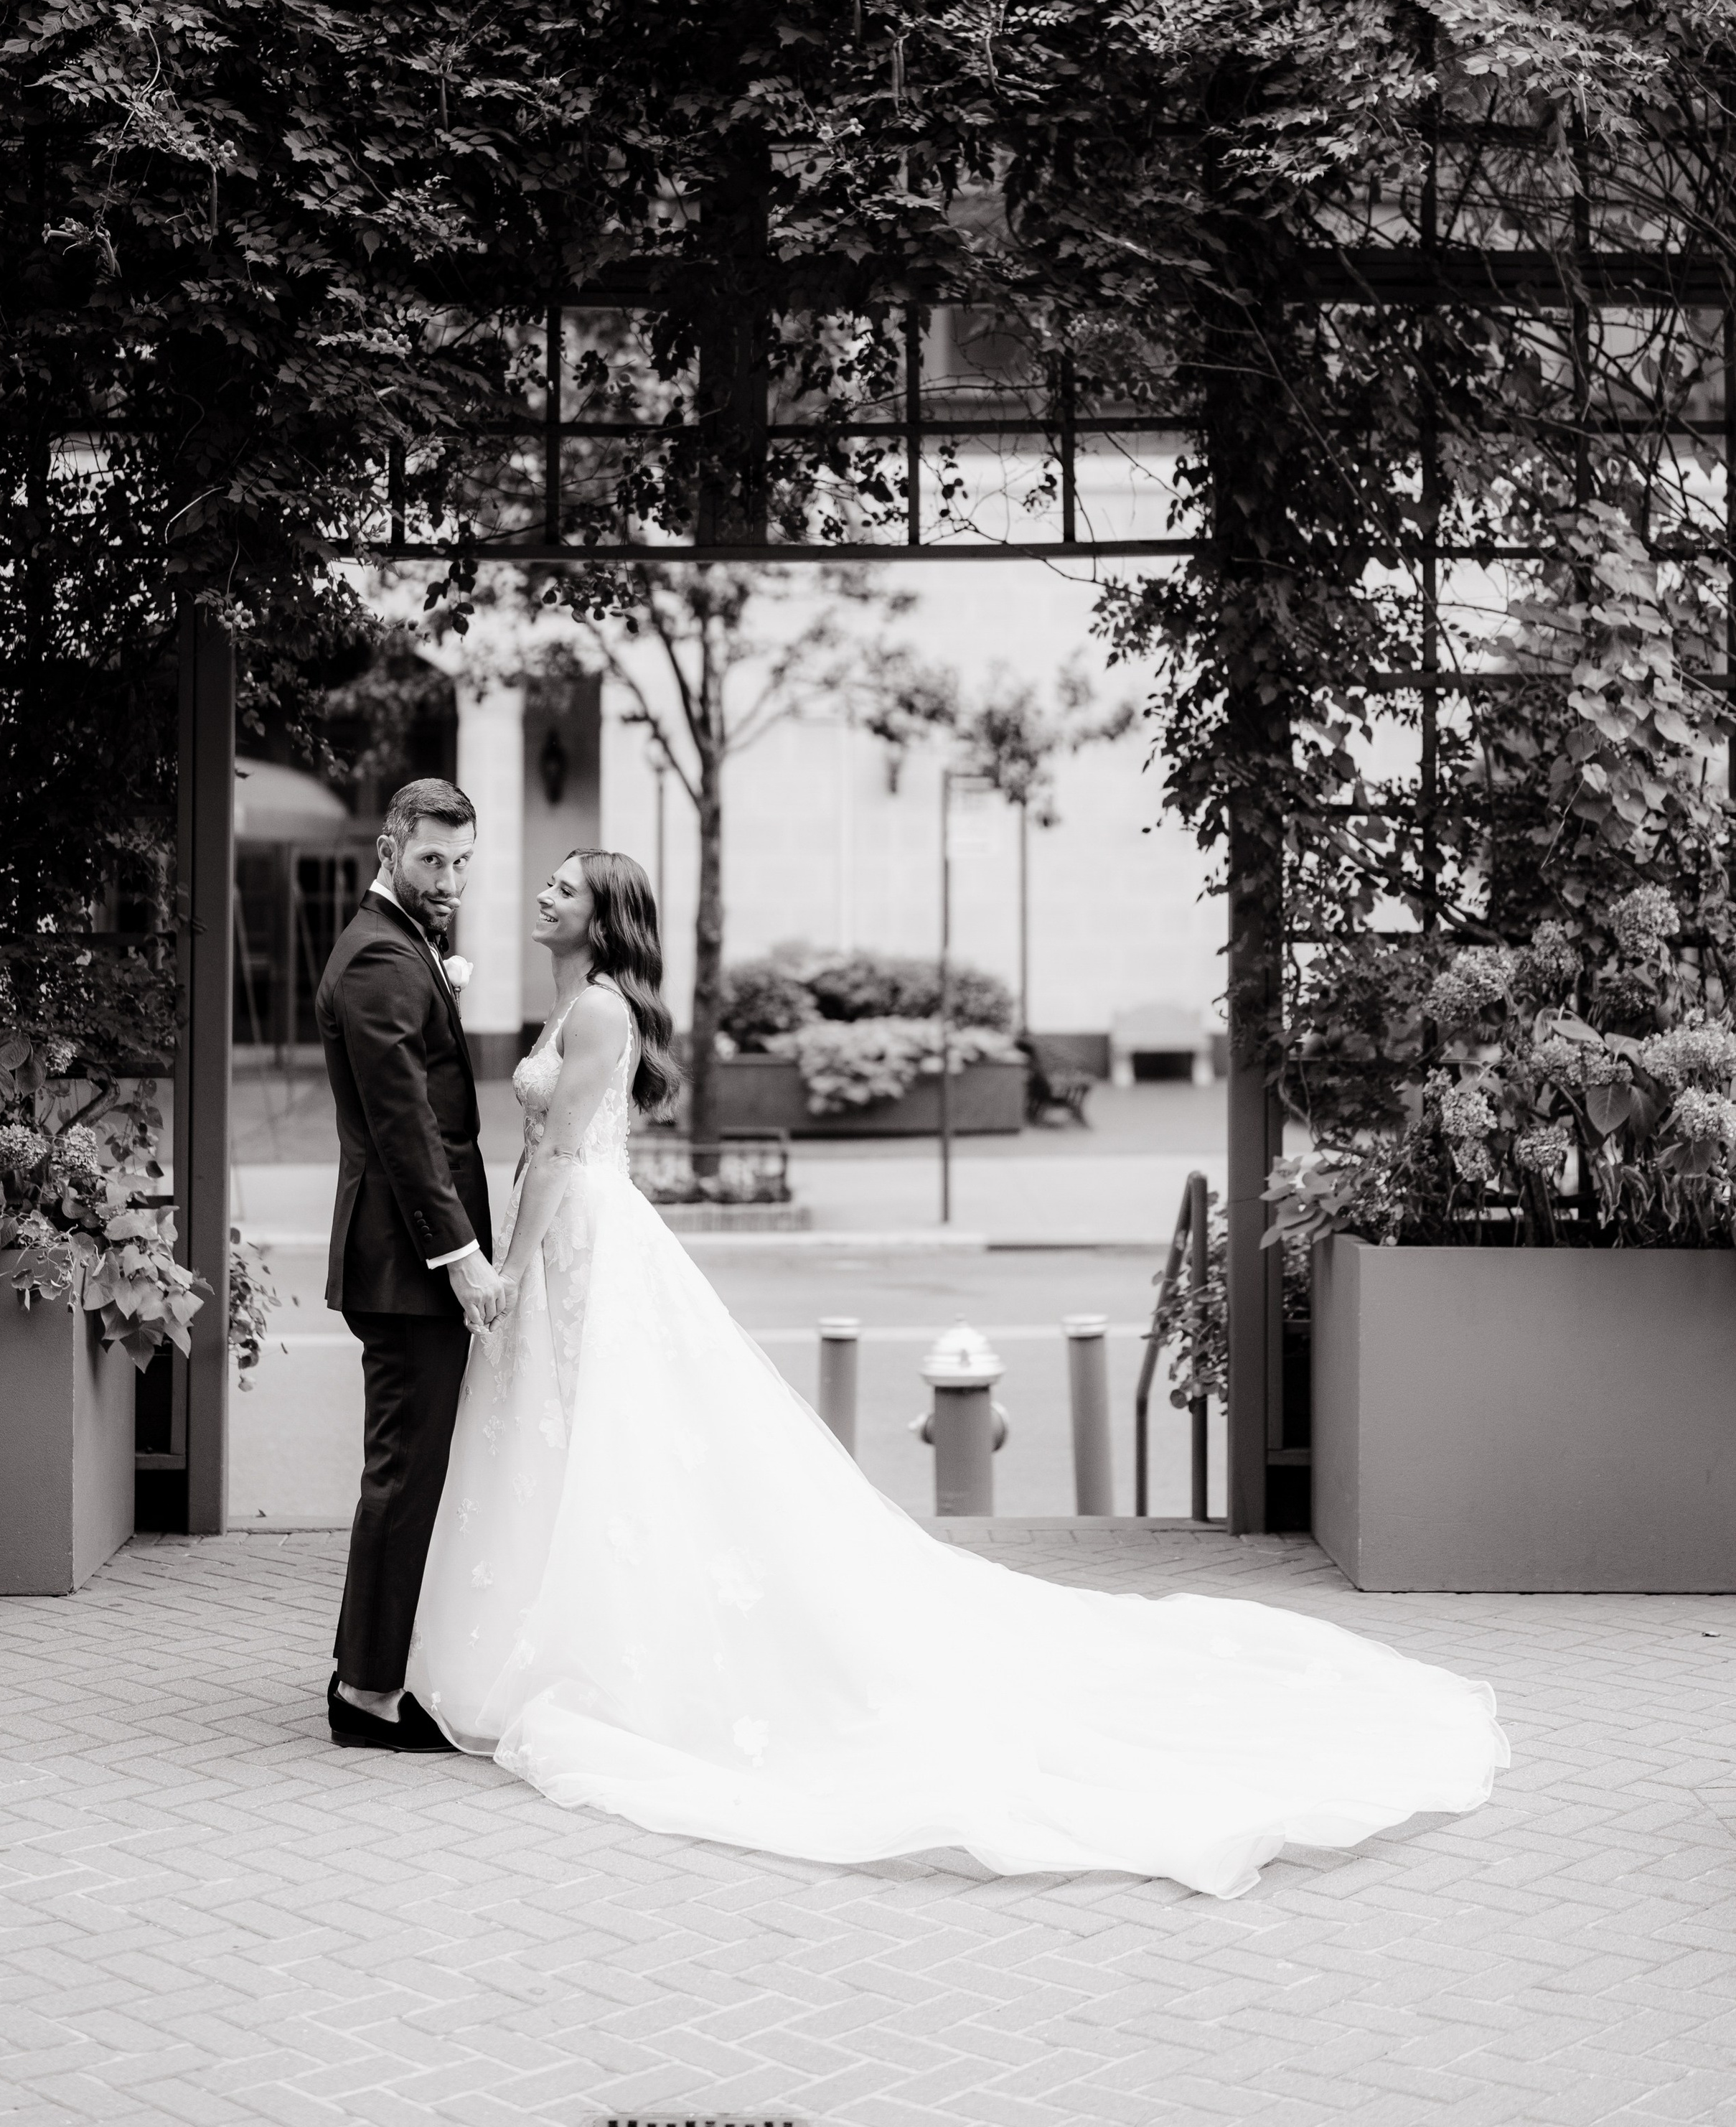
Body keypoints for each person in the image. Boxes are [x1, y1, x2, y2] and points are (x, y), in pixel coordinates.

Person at [408, 848, 1509, 1894]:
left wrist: (506, 1264)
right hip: (568, 1236)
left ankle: (615, 1652)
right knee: (591, 1437)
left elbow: (558, 1152)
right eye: (546, 887)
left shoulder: (596, 1008)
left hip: (585, 1238)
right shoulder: (573, 1004)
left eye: (563, 890)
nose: (541, 897)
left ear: (601, 919)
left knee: (619, 1434)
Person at [316, 778, 512, 1752]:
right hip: (408, 1263)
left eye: (464, 861)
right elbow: (408, 1132)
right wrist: (464, 1258)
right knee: (404, 1473)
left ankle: (366, 1666)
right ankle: (369, 1698)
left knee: (406, 1468)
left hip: (403, 1260)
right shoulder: (381, 961)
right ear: (391, 847)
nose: (451, 879)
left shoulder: (395, 947)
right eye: (434, 859)